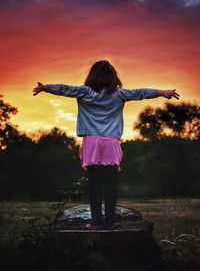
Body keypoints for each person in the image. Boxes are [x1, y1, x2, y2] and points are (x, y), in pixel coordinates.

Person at [33, 60, 180, 229]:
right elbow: (141, 93)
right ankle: (110, 222)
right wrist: (162, 92)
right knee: (110, 186)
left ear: (92, 76)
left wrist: (45, 87)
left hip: (92, 143)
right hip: (110, 143)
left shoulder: (84, 92)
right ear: (113, 77)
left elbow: (64, 89)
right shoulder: (119, 94)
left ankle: (96, 222)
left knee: (94, 185)